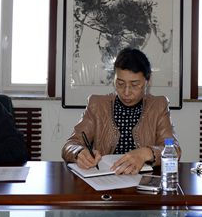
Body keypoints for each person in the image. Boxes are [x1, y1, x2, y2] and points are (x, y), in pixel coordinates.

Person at [62, 47, 180, 175]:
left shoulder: (158, 105)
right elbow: (70, 145)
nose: (126, 92)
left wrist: (146, 153)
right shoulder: (97, 105)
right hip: (106, 178)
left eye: (135, 85)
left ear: (148, 81)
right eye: (120, 83)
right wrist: (79, 153)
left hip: (143, 179)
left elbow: (174, 149)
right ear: (114, 79)